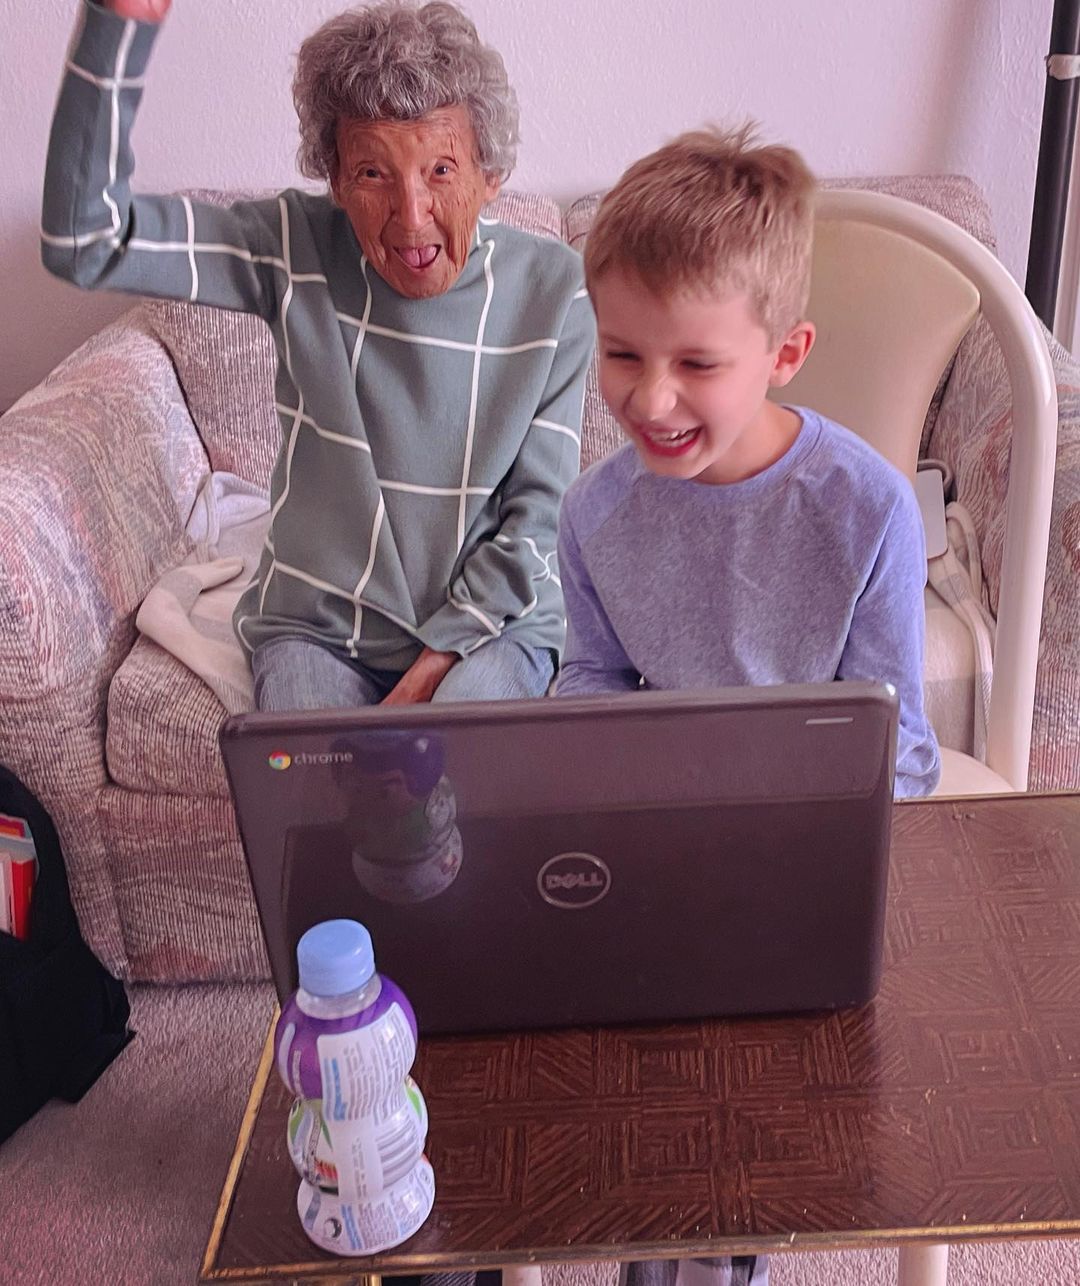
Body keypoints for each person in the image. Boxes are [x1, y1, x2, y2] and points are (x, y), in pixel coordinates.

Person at [42, 0, 594, 712]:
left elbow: (538, 520)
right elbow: (87, 242)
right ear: (334, 182)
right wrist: (118, 29)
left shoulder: (555, 291)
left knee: (453, 781)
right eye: (372, 175)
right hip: (319, 628)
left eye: (441, 169)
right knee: (319, 804)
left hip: (492, 628)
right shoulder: (292, 246)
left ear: (490, 176)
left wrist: (422, 684)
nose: (412, 213)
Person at [556, 124, 941, 814]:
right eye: (621, 355)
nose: (650, 399)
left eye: (697, 364)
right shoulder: (591, 513)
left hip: (820, 821)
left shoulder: (873, 511)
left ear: (786, 355)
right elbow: (594, 680)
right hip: (663, 820)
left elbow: (896, 751)